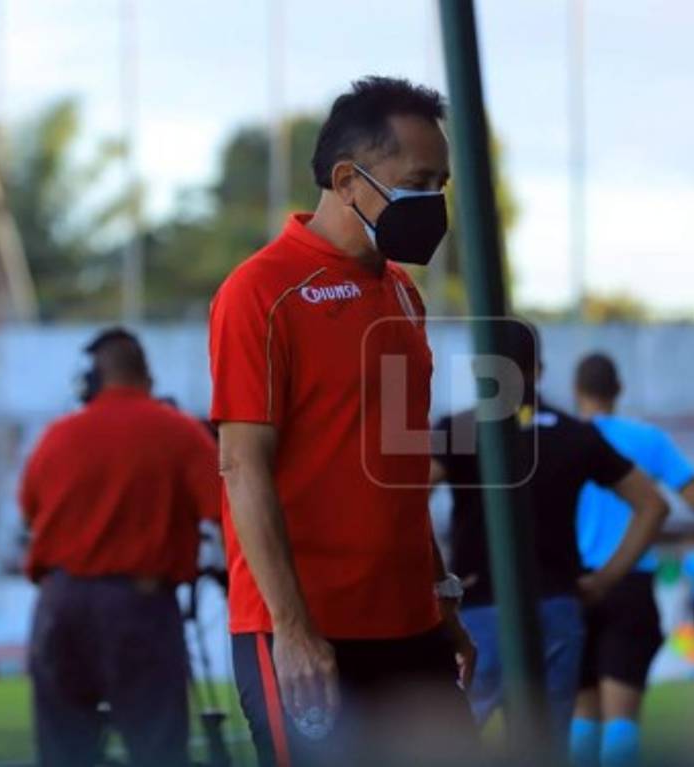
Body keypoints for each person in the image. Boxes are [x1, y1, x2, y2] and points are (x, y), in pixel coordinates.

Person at [209, 77, 475, 766]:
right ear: (347, 179)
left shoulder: (403, 292)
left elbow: (401, 457)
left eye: (441, 181)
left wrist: (440, 595)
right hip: (309, 633)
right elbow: (242, 465)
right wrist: (293, 630)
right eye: (418, 179)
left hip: (412, 625)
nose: (434, 200)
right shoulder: (261, 291)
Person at [430, 323, 669, 758]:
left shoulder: (460, 430)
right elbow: (653, 506)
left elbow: (406, 502)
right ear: (538, 370)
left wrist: (434, 579)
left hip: (479, 606)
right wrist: (605, 579)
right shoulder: (574, 433)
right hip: (556, 606)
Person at [19, 327, 220, 767]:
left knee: (64, 753)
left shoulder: (57, 435)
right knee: (157, 749)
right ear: (147, 378)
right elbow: (223, 509)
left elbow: (30, 509)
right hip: (139, 607)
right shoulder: (179, 433)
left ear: (94, 379)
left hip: (59, 604)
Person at [569, 351, 694, 767]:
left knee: (582, 713)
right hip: (629, 581)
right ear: (618, 390)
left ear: (577, 391)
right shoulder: (647, 440)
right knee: (622, 720)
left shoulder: (564, 439)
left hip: (575, 584)